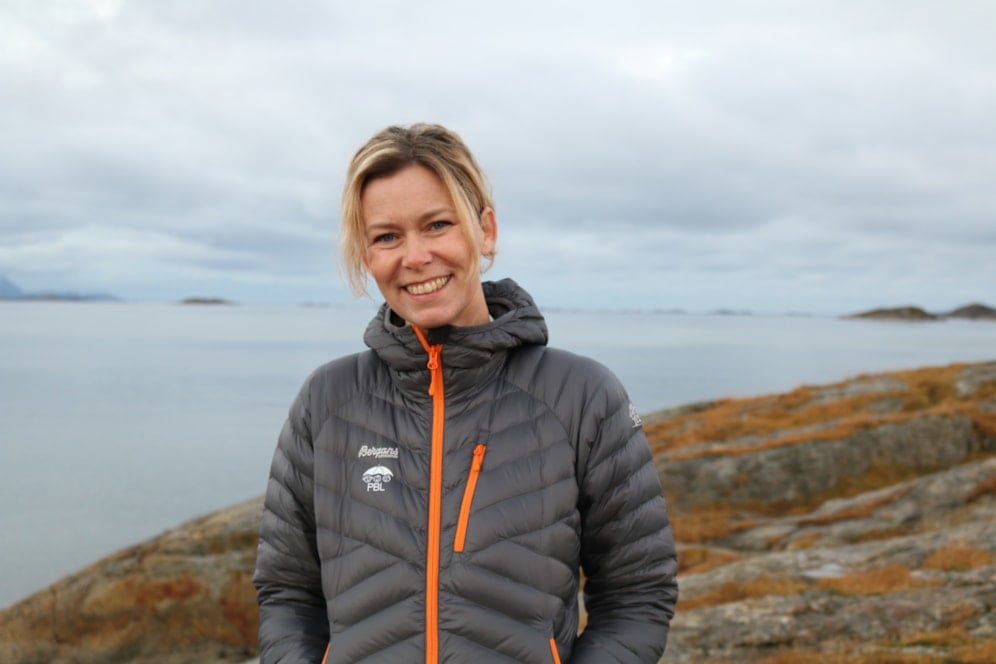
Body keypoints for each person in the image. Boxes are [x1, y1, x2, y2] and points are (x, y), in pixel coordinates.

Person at [253, 123, 678, 663]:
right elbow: (288, 594)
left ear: (485, 231)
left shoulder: (581, 396)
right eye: (386, 237)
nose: (415, 256)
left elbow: (637, 593)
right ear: (365, 255)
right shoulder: (328, 401)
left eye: (437, 225)